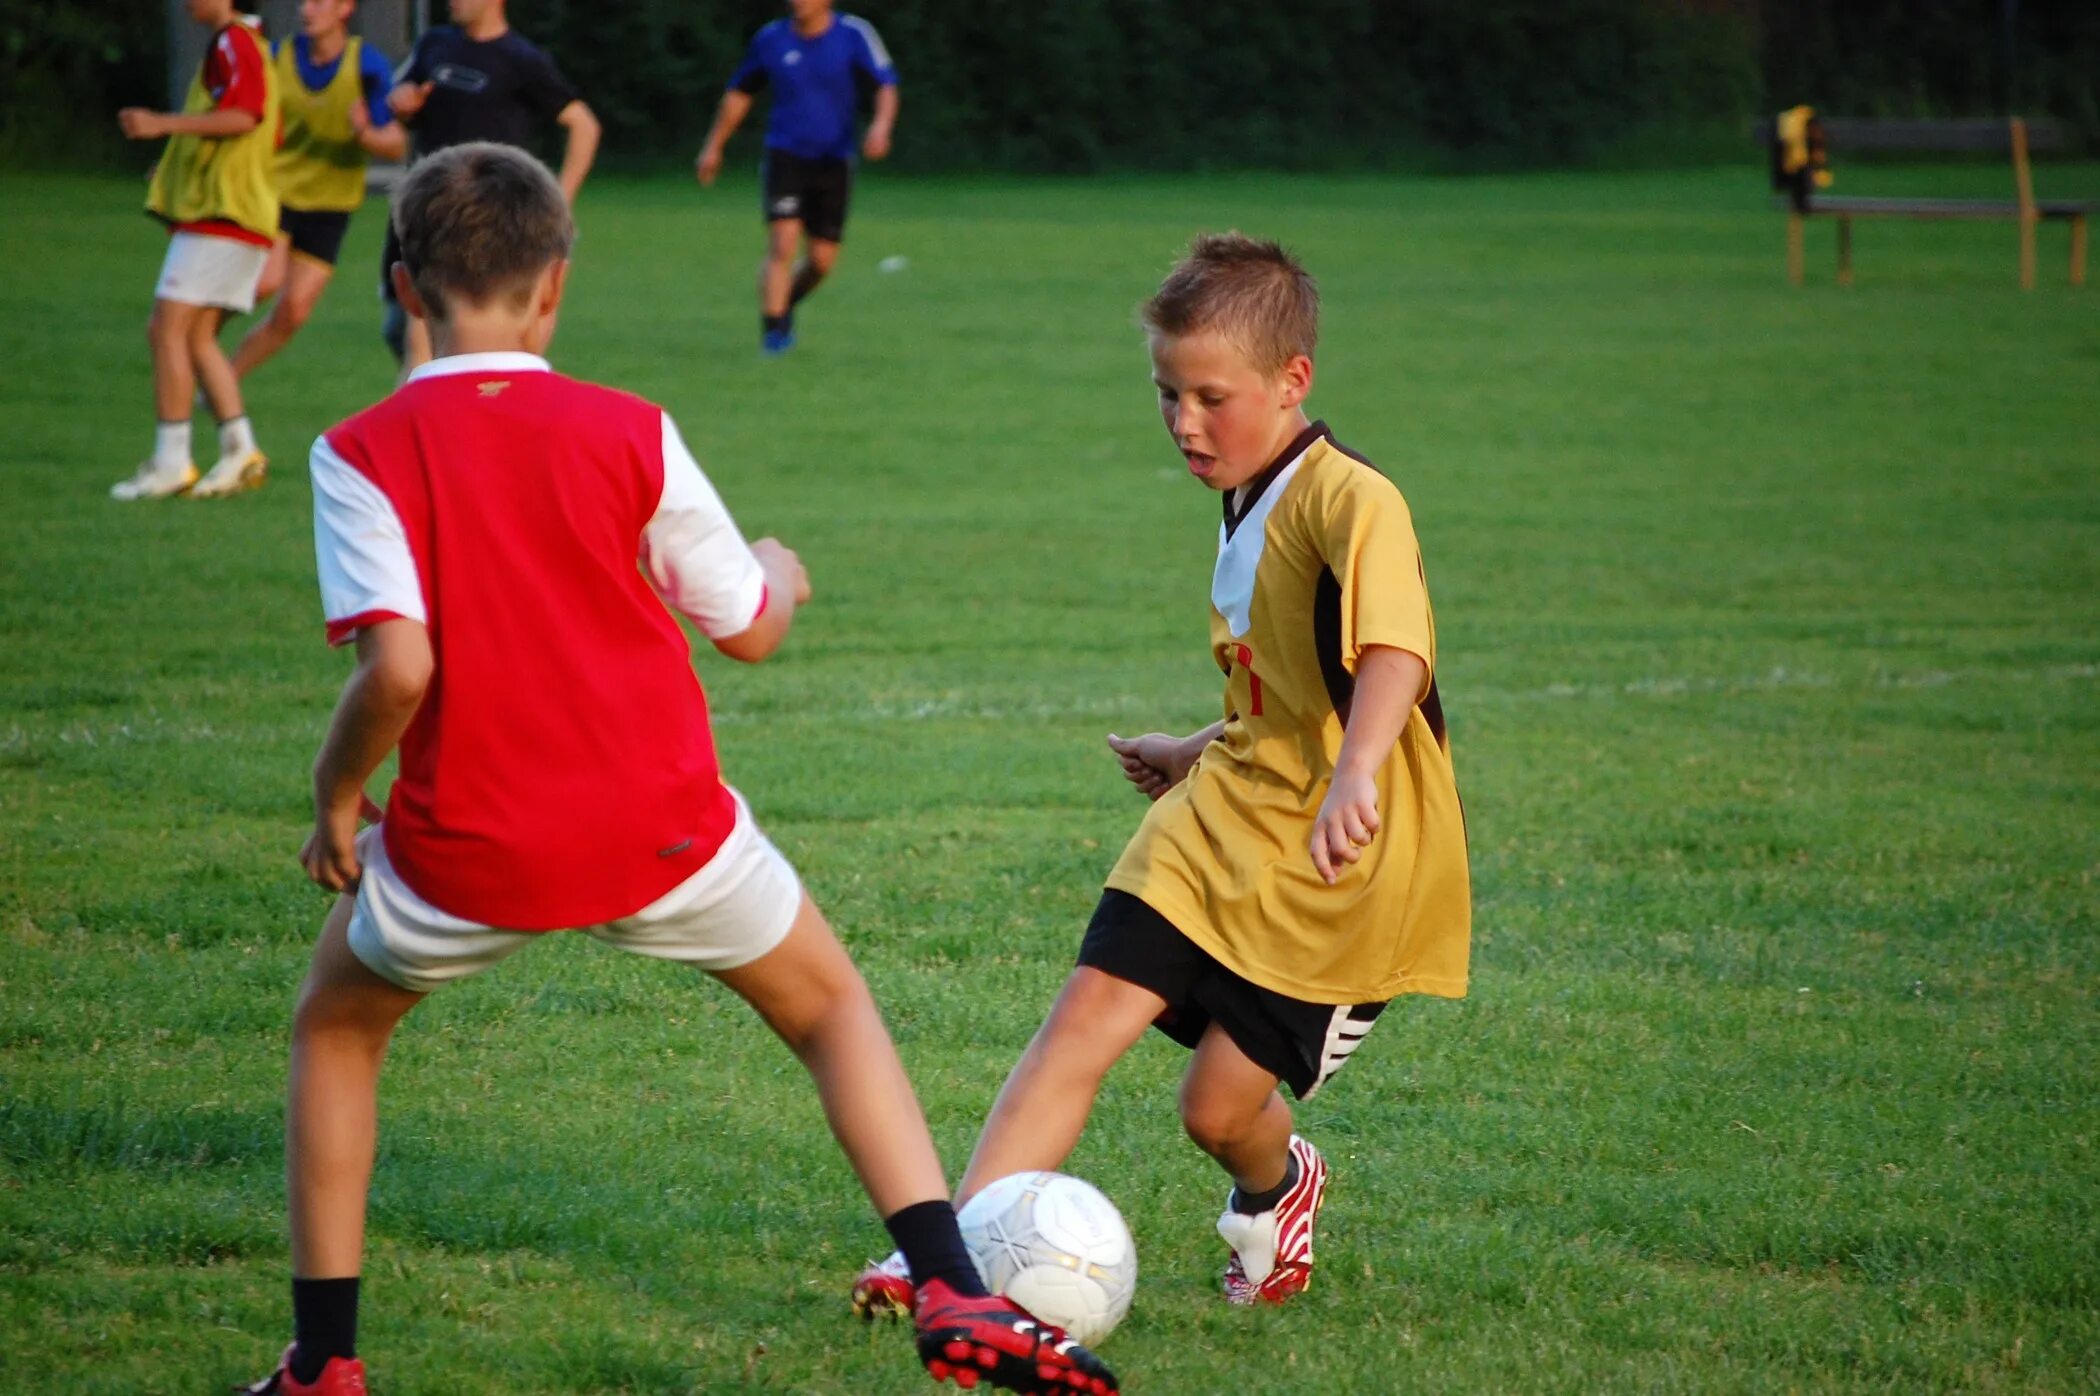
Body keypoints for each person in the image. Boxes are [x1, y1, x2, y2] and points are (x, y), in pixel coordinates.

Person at [239, 143, 1117, 1396]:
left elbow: (398, 668)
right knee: (829, 1011)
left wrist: (335, 801)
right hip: (663, 827)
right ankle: (949, 1283)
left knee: (338, 1029)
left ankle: (324, 1364)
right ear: (555, 288)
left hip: (468, 846)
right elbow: (751, 627)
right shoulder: (630, 430)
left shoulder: (359, 450)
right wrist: (782, 564)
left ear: (402, 283)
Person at [854, 234, 1472, 1316]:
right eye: (1168, 394)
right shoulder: (1246, 487)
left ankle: (1278, 1188)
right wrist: (1196, 749)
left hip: (1347, 864)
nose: (1186, 422)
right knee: (1081, 1021)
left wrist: (1356, 772)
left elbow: (1393, 654)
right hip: (1222, 815)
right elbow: (1284, 681)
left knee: (1218, 1112)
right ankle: (944, 1264)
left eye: (1210, 397)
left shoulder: (1351, 499)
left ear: (1294, 383)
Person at [111, 0, 279, 501]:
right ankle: (238, 449)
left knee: (167, 328)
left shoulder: (235, 41)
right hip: (239, 215)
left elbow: (244, 116)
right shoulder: (246, 43)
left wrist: (164, 125)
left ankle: (171, 462)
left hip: (224, 215)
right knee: (198, 336)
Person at [379, 0, 599, 369]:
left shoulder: (521, 59)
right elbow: (400, 110)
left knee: (422, 342)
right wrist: (403, 108)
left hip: (483, 221)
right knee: (397, 326)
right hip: (425, 213)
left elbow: (584, 125)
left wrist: (558, 202)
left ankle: (427, 419)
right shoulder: (435, 45)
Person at [695, 0, 899, 354]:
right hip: (785, 156)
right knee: (782, 243)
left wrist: (881, 127)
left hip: (835, 160)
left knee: (821, 261)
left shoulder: (854, 34)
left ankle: (783, 302)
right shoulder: (771, 39)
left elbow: (885, 85)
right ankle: (774, 333)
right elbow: (741, 92)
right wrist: (715, 145)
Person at [227, 0, 406, 382]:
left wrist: (363, 132)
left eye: (319, 2)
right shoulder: (278, 58)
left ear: (344, 9)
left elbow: (394, 144)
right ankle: (191, 336)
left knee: (293, 312)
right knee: (267, 282)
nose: (307, 10)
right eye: (304, 2)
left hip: (331, 205)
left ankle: (222, 380)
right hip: (277, 192)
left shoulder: (366, 66)